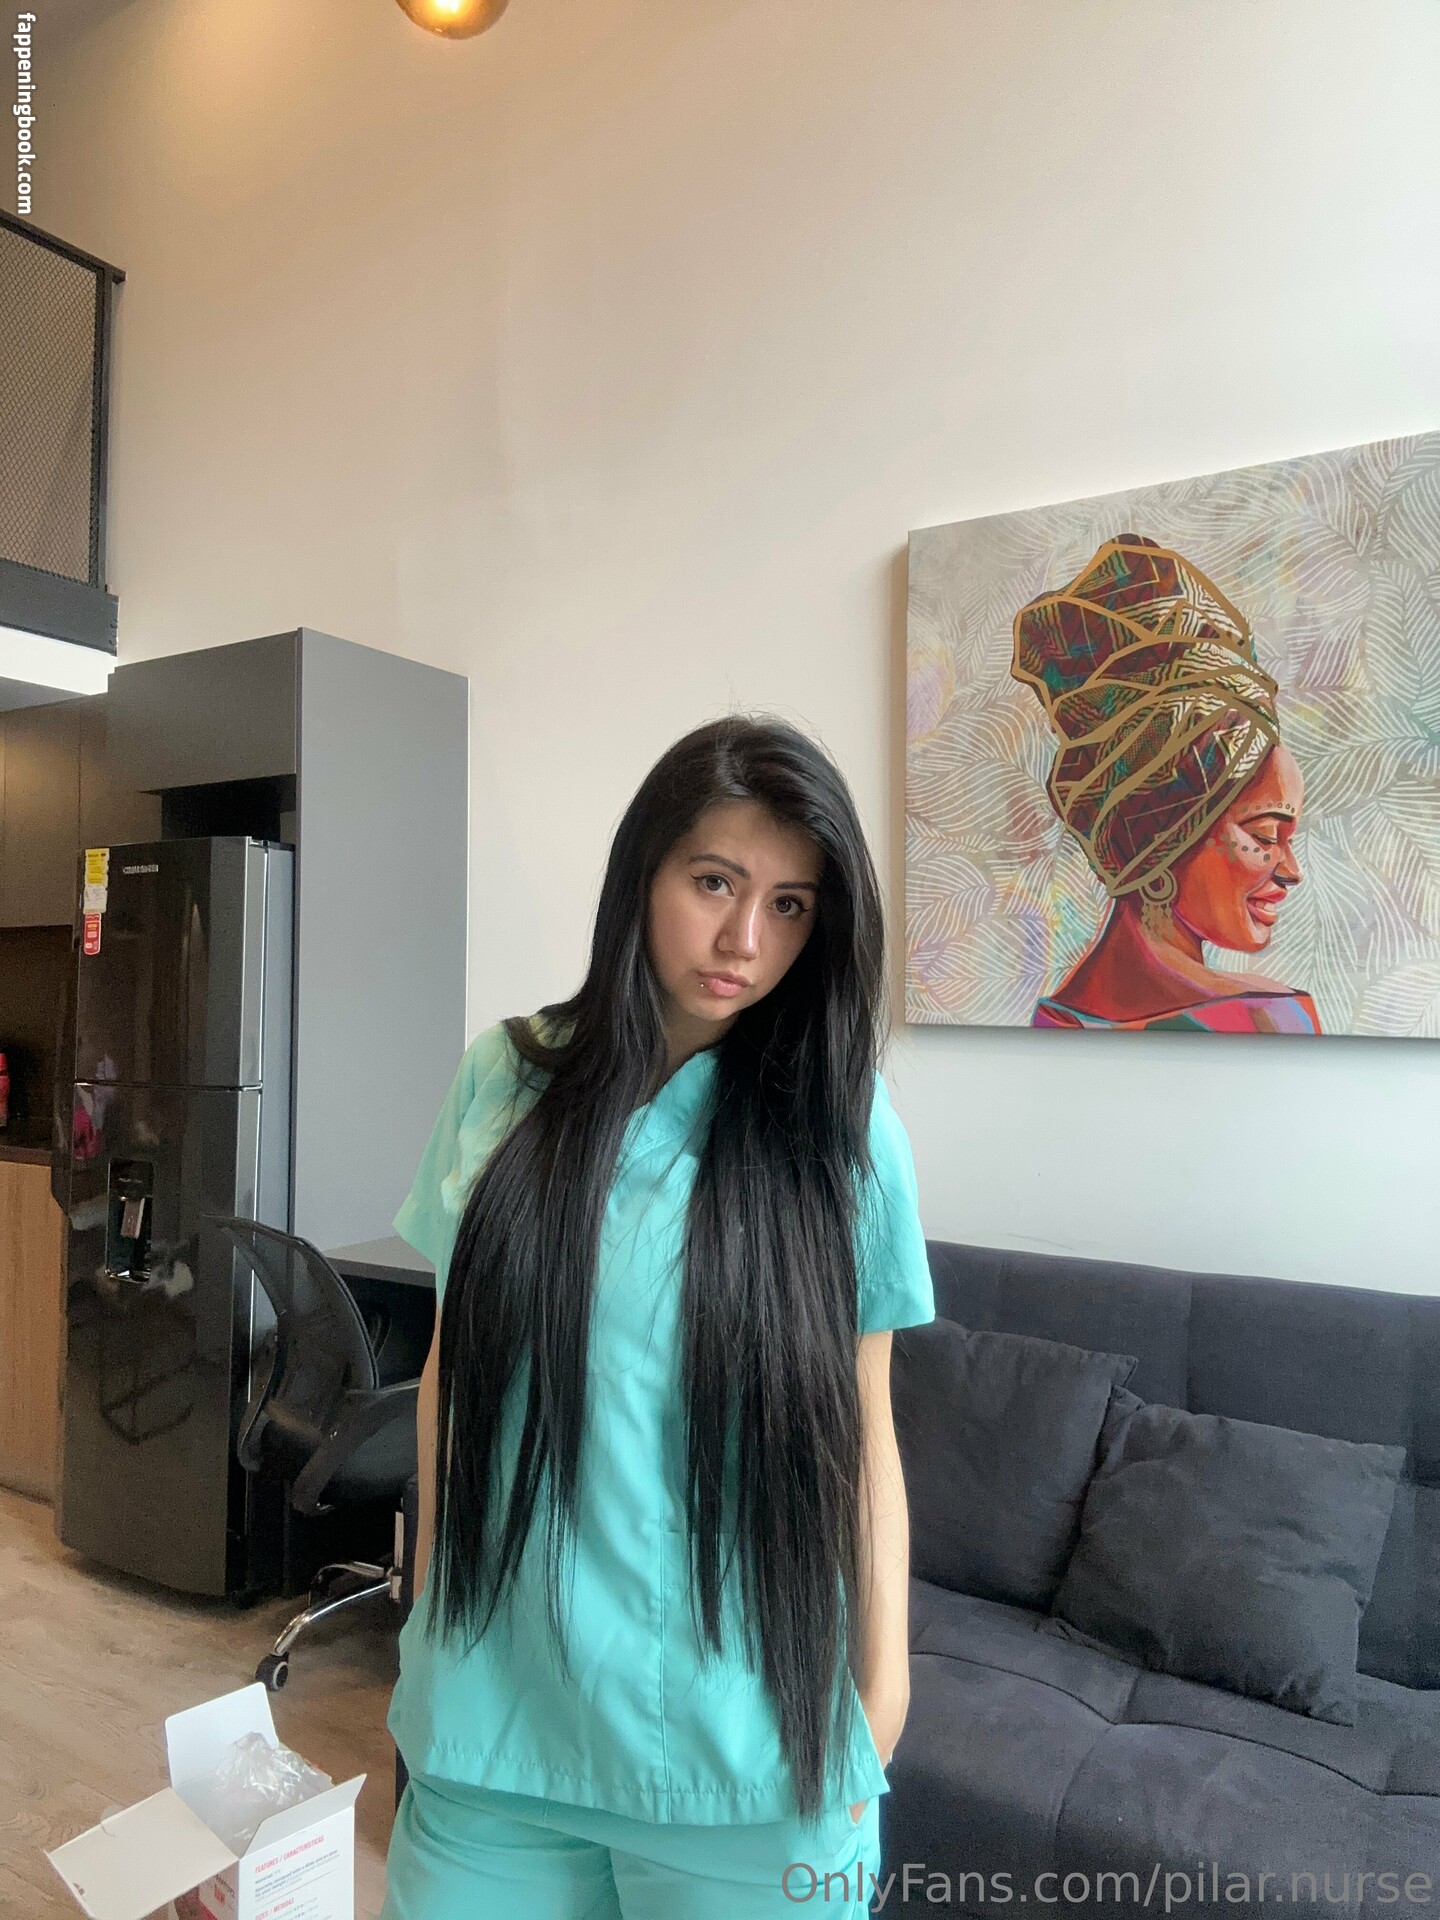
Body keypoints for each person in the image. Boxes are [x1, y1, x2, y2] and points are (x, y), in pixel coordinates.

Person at [380, 714, 936, 1919]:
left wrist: (882, 1694)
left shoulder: (839, 1127)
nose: (746, 941)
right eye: (714, 883)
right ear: (642, 874)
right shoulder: (503, 1079)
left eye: (791, 906)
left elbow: (862, 1432)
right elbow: (450, 1373)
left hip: (751, 1752)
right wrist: (427, 1603)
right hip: (494, 1726)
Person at [1010, 533, 1321, 1034]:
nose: (1291, 870)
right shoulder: (1270, 1020)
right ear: (1160, 845)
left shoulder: (1054, 1025)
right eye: (1265, 836)